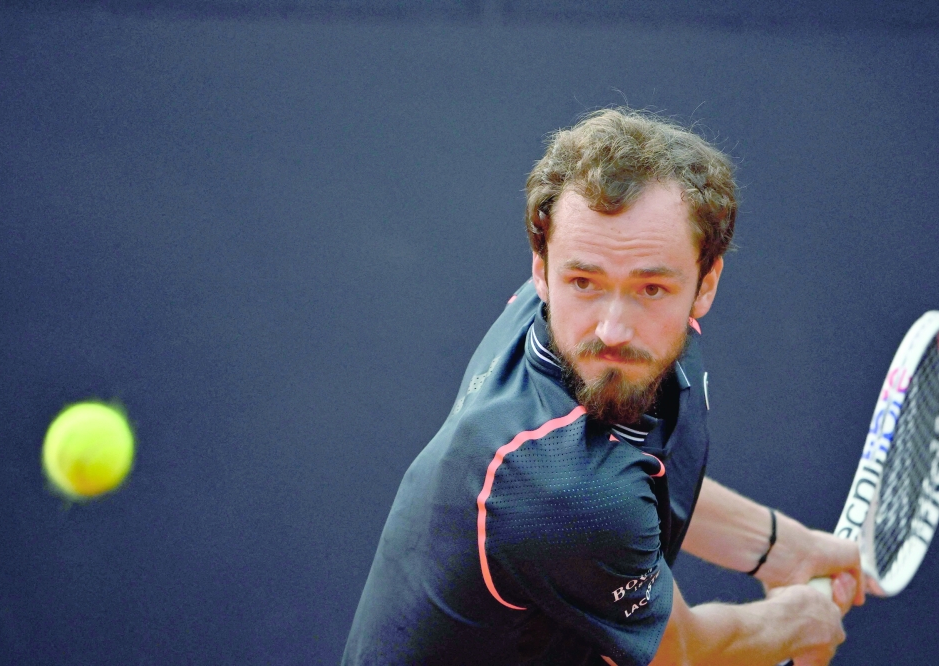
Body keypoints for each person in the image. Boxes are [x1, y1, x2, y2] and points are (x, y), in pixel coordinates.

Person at [342, 108, 864, 666]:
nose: (612, 330)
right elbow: (680, 651)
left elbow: (637, 479)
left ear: (705, 283)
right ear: (540, 269)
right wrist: (797, 622)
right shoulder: (560, 487)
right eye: (584, 282)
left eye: (652, 289)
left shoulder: (558, 319)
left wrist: (783, 549)